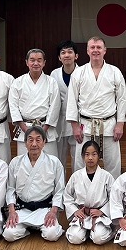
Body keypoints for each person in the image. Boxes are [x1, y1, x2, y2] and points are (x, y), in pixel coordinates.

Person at [67, 37, 126, 179]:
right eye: (92, 47)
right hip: (85, 126)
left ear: (105, 50)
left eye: (99, 47)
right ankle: (81, 191)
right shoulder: (79, 72)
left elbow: (122, 99)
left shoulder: (114, 71)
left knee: (113, 165)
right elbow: (72, 100)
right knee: (81, 164)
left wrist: (120, 124)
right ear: (87, 51)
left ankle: (113, 192)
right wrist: (75, 127)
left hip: (109, 126)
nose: (95, 50)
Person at [3, 126, 65, 242]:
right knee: (9, 234)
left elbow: (60, 190)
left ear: (44, 142)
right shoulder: (15, 162)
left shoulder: (54, 162)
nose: (34, 144)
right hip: (22, 209)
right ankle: (28, 229)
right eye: (30, 140)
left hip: (44, 209)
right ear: (25, 143)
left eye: (38, 140)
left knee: (51, 235)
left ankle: (38, 227)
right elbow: (10, 189)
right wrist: (12, 211)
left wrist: (53, 212)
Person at [9, 49, 60, 157]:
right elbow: (13, 106)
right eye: (32, 60)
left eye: (39, 60)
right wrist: (25, 129)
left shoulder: (51, 82)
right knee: (24, 162)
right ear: (27, 62)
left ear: (44, 63)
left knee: (49, 163)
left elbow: (55, 107)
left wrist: (43, 130)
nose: (36, 63)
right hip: (25, 129)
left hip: (45, 129)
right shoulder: (17, 82)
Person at [63, 140, 115, 245]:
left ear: (99, 156)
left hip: (99, 216)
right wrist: (75, 211)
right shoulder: (76, 176)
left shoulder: (106, 176)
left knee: (98, 239)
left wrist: (102, 211)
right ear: (83, 156)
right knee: (75, 238)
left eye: (94, 154)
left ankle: (107, 231)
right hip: (82, 214)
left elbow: (114, 198)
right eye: (87, 154)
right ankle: (85, 232)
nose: (90, 158)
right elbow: (67, 196)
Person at [51, 40, 79, 171]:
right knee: (58, 157)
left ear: (76, 56)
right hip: (59, 119)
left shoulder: (83, 72)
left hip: (77, 120)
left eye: (70, 52)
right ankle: (59, 183)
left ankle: (76, 183)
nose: (66, 55)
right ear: (59, 57)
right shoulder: (54, 74)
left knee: (77, 156)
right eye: (63, 53)